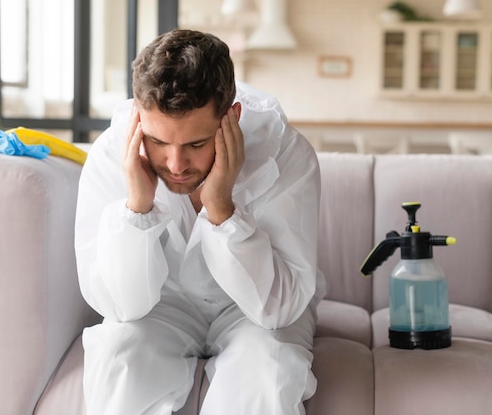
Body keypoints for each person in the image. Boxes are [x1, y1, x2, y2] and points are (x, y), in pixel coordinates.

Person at [75, 29, 324, 415]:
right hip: (161, 306)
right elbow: (119, 307)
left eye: (194, 144)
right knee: (116, 359)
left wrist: (222, 209)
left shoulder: (288, 153)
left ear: (232, 118)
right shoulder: (110, 154)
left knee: (267, 373)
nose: (175, 165)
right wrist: (138, 207)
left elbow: (279, 308)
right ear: (139, 118)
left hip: (253, 314)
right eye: (158, 141)